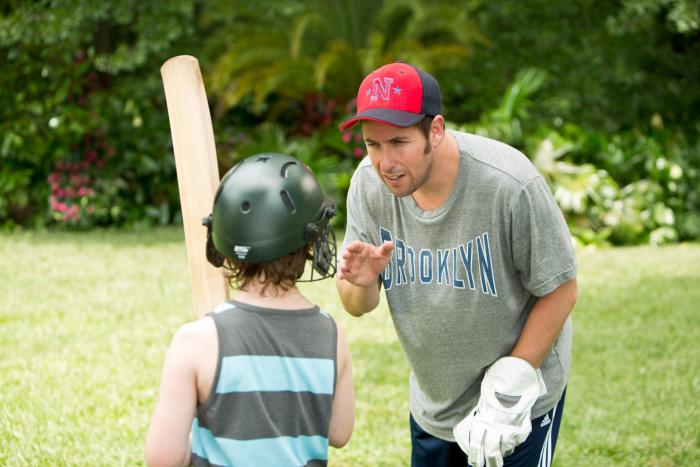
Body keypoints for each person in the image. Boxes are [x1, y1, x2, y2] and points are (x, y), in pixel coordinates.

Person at [336, 62, 577, 467]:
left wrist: (512, 382)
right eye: (373, 144)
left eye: (399, 141)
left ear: (435, 130)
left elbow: (561, 288)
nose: (386, 162)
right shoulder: (368, 186)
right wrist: (361, 282)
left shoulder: (508, 183)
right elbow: (357, 305)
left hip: (517, 404)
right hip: (434, 406)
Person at [145, 153, 355, 467]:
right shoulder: (331, 334)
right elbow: (339, 432)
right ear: (311, 243)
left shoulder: (196, 340)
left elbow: (162, 459)